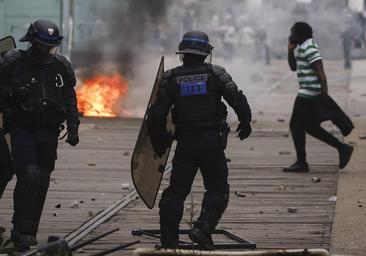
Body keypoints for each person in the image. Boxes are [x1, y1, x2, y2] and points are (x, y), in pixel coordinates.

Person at [149, 31, 252, 250]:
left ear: (182, 54)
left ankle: (169, 241)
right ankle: (203, 228)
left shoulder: (170, 78)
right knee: (217, 189)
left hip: (186, 144)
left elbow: (157, 115)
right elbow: (237, 99)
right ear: (206, 54)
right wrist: (245, 122)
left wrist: (160, 142)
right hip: (212, 143)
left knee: (175, 192)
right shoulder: (216, 74)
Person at [0, 19, 80, 251]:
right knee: (29, 175)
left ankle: (29, 231)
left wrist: (73, 126)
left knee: (41, 180)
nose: (46, 51)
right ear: (32, 42)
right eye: (42, 46)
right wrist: (14, 94)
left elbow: (69, 96)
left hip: (48, 131)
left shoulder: (59, 65)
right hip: (22, 128)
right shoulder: (13, 63)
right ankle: (20, 230)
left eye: (50, 47)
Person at [284, 22, 353, 173]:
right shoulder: (302, 47)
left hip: (309, 94)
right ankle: (342, 148)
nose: (291, 36)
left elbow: (320, 69)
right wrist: (290, 51)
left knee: (296, 126)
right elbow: (293, 67)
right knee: (310, 127)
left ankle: (302, 162)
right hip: (308, 93)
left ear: (301, 34)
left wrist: (325, 93)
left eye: (293, 33)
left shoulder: (309, 47)